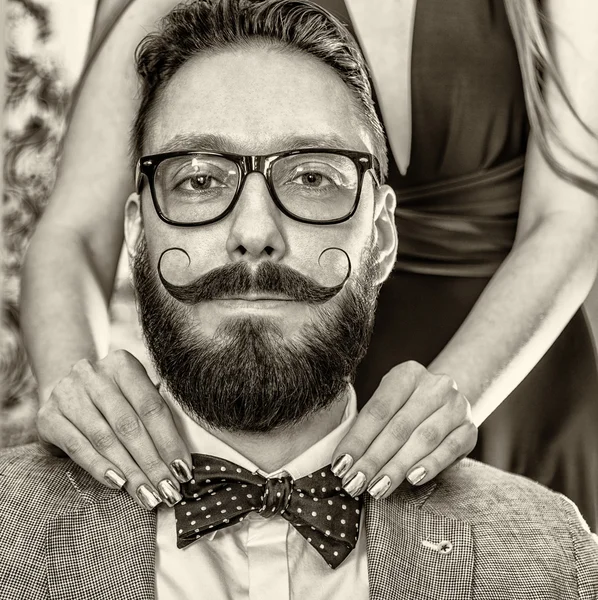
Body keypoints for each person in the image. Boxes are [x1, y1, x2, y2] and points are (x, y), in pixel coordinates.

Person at [2, 4, 598, 596]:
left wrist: (451, 401)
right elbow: (77, 230)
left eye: (314, 177)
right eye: (202, 178)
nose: (255, 230)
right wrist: (89, 414)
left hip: (517, 379)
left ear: (383, 232)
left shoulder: (551, 541)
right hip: (271, 365)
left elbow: (569, 222)